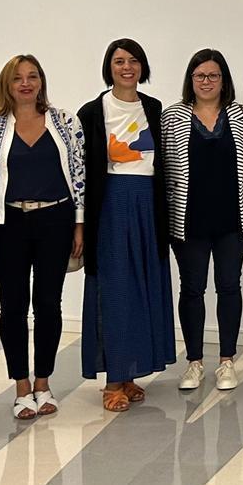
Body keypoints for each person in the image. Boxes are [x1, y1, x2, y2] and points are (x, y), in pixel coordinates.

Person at [0, 55, 85, 419]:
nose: (26, 84)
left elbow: (78, 173)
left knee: (48, 304)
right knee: (12, 306)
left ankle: (43, 383)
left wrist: (79, 223)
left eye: (32, 77)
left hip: (55, 220)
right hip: (8, 223)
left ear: (41, 81)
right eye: (17, 79)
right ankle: (21, 387)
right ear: (7, 85)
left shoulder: (64, 121)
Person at [77, 38, 174, 412]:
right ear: (109, 67)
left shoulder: (154, 107)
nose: (127, 67)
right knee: (115, 291)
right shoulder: (91, 111)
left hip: (148, 205)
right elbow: (84, 172)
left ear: (142, 66)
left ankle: (131, 372)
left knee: (143, 287)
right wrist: (82, 223)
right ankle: (113, 379)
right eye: (119, 61)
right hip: (112, 207)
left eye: (133, 61)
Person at [161, 49, 243, 392]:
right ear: (190, 80)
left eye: (213, 75)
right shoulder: (172, 116)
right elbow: (163, 168)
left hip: (233, 220)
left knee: (229, 287)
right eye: (199, 76)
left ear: (223, 80)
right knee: (192, 290)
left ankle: (227, 361)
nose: (206, 81)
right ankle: (195, 363)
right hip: (188, 222)